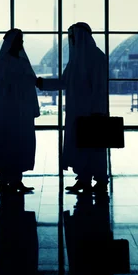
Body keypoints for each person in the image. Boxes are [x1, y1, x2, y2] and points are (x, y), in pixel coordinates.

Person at [37, 22, 108, 193]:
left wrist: (97, 111)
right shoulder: (76, 61)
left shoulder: (97, 58)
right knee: (82, 145)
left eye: (73, 36)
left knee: (94, 146)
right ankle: (83, 179)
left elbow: (100, 88)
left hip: (92, 112)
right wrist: (42, 84)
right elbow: (64, 82)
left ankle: (99, 179)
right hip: (77, 111)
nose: (72, 40)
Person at [0, 29, 40, 193]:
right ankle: (5, 179)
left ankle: (16, 179)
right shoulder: (4, 61)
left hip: (21, 110)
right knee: (8, 143)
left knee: (20, 144)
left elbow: (31, 83)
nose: (21, 43)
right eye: (19, 40)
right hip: (8, 111)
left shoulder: (21, 61)